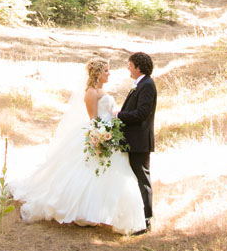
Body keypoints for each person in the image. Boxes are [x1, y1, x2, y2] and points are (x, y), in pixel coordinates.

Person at [8, 57, 146, 235]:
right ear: (97, 73)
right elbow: (93, 120)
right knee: (88, 173)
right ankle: (83, 210)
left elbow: (109, 112)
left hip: (112, 134)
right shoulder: (90, 92)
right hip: (101, 135)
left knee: (113, 174)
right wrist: (100, 135)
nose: (108, 73)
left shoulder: (101, 90)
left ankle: (107, 212)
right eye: (106, 71)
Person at [117, 51, 157, 233]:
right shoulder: (140, 84)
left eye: (130, 65)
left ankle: (146, 219)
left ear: (138, 67)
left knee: (142, 179)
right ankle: (138, 218)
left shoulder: (147, 85)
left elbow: (142, 114)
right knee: (136, 178)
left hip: (139, 140)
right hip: (133, 139)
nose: (128, 68)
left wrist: (119, 115)